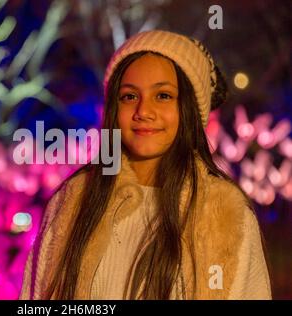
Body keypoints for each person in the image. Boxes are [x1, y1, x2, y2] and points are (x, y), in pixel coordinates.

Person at [19, 30, 272, 300]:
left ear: (188, 110)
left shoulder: (225, 213)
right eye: (129, 96)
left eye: (163, 95)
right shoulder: (73, 201)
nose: (143, 112)